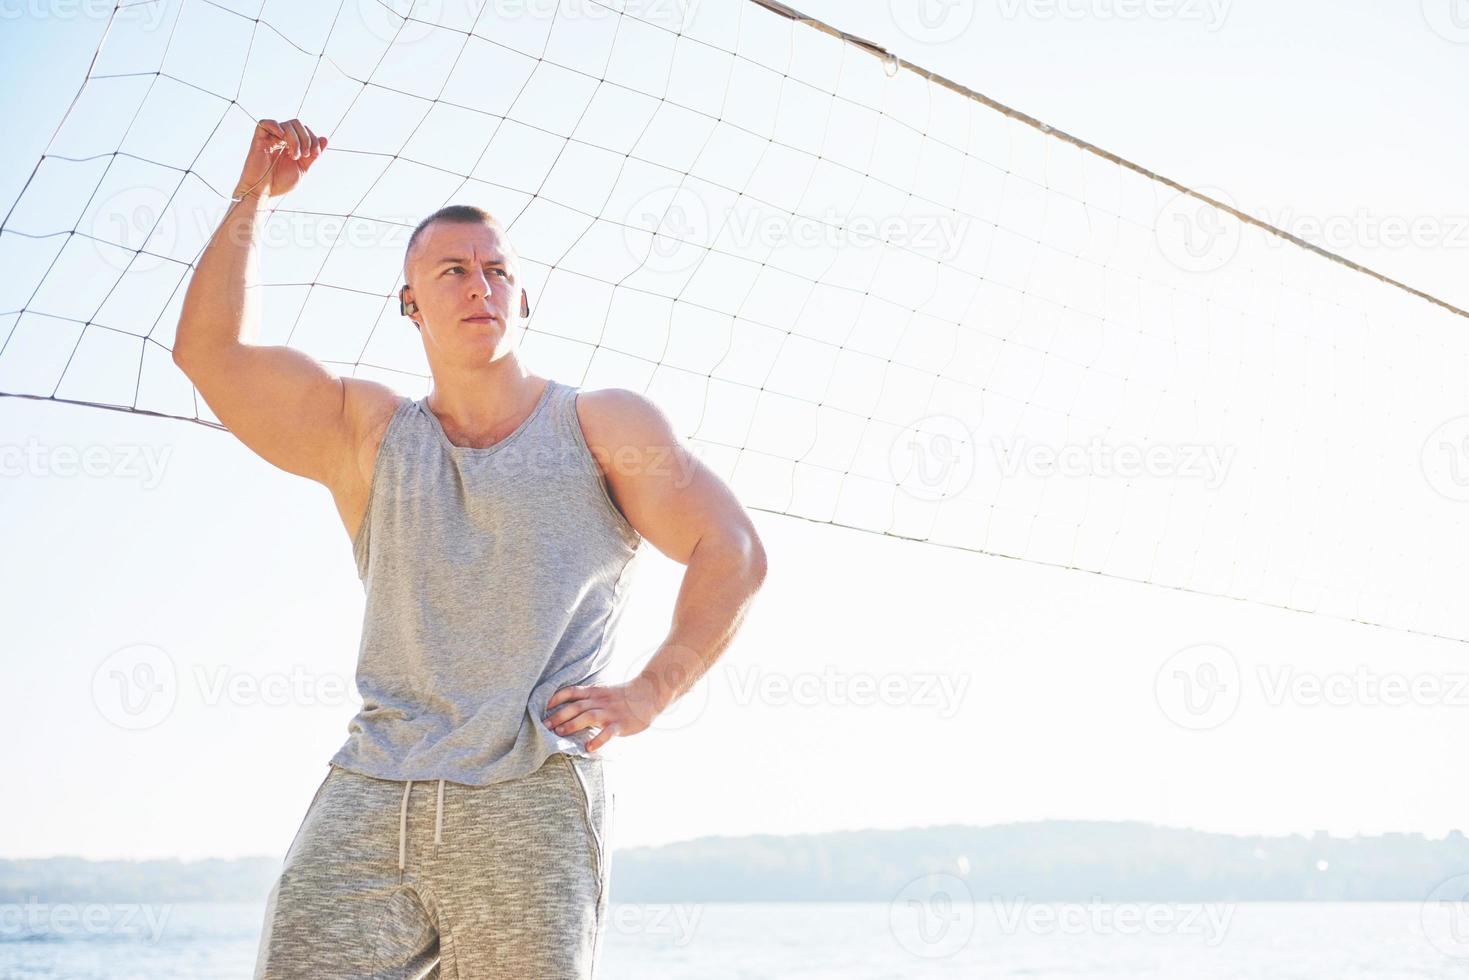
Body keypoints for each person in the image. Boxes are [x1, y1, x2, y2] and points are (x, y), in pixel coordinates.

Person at [172, 117, 768, 978]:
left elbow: (732, 547)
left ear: (522, 299)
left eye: (497, 271)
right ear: (409, 302)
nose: (478, 285)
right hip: (374, 789)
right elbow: (209, 353)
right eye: (452, 270)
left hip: (527, 799)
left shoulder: (601, 424)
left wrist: (649, 692)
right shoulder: (365, 433)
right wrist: (252, 196)